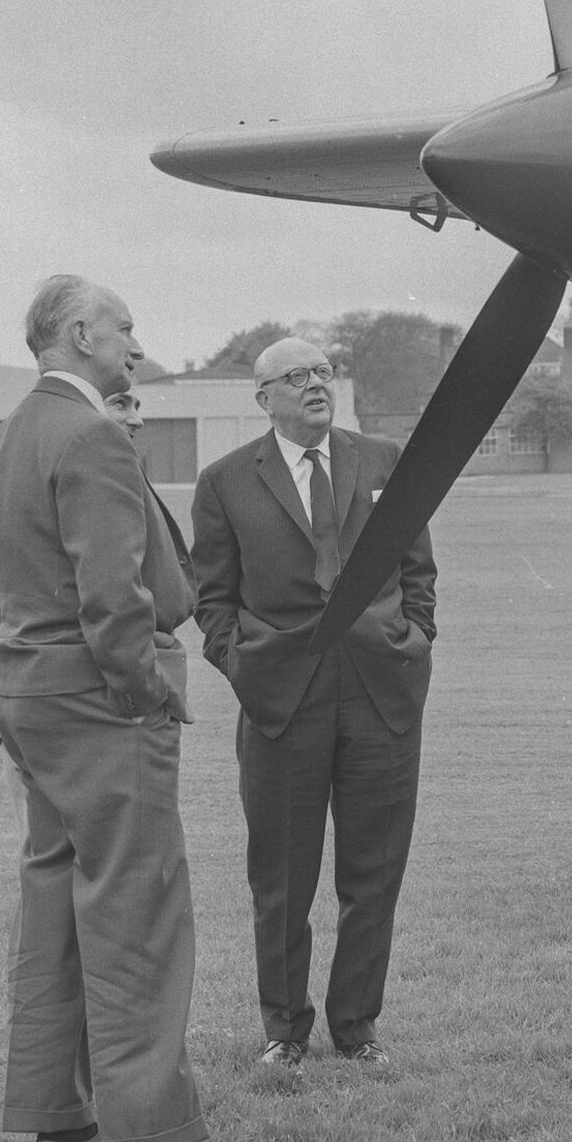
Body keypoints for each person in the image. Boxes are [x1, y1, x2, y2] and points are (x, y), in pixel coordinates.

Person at [0, 276, 268, 1142]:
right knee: (138, 912)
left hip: (32, 695)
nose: (135, 346)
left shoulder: (7, 438)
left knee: (57, 907)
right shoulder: (92, 433)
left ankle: (64, 1123)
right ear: (80, 332)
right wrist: (143, 694)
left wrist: (8, 692)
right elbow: (113, 594)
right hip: (102, 703)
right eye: (125, 329)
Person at [191, 337, 435, 1081]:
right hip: (281, 703)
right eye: (294, 378)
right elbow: (213, 602)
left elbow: (418, 569)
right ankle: (284, 1031)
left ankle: (357, 1026)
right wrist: (246, 667)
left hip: (380, 695)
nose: (314, 386)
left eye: (322, 372)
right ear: (262, 398)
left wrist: (412, 638)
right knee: (283, 878)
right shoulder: (226, 482)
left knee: (375, 871)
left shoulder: (386, 463)